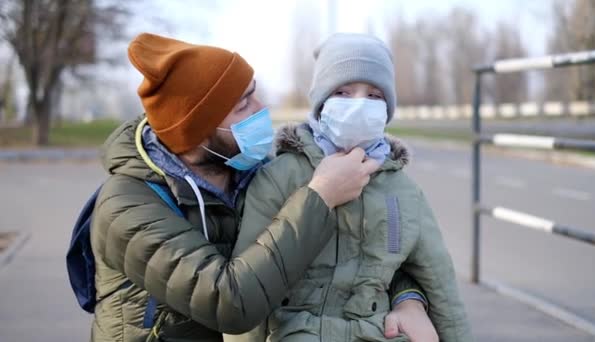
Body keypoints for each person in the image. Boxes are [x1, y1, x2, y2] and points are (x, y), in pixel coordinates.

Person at [89, 33, 433, 342]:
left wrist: (409, 299)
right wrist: (319, 197)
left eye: (255, 95)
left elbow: (356, 254)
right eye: (243, 105)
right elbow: (229, 302)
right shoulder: (126, 207)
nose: (261, 110)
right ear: (196, 132)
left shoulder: (252, 169)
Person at [231, 33, 473, 342]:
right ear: (320, 103)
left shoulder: (403, 190)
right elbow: (250, 288)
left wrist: (414, 304)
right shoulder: (279, 177)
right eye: (343, 92)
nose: (359, 104)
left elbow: (442, 286)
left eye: (374, 95)